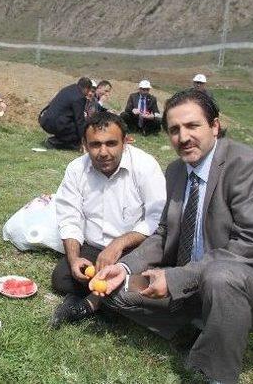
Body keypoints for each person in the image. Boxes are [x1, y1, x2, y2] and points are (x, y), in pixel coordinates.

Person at [91, 89, 253, 384]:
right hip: (192, 277)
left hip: (250, 281)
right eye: (174, 130)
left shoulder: (247, 166)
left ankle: (216, 374)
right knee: (114, 290)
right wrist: (127, 266)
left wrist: (177, 278)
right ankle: (200, 327)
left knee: (220, 277)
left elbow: (252, 246)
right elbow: (165, 233)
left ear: (215, 126)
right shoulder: (176, 171)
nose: (183, 137)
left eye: (193, 126)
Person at [50, 112, 166, 328]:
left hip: (134, 249)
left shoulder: (145, 166)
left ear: (125, 142)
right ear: (84, 144)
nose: (103, 152)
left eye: (111, 143)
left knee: (142, 278)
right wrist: (75, 259)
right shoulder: (77, 169)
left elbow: (157, 219)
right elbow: (69, 216)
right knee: (62, 276)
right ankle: (112, 301)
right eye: (95, 145)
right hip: (94, 249)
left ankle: (90, 303)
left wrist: (119, 243)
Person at [39, 77, 93, 150]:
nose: (88, 93)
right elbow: (79, 120)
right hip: (54, 123)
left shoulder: (69, 89)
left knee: (73, 128)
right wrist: (83, 139)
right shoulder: (79, 97)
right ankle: (53, 142)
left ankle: (72, 144)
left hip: (45, 119)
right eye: (89, 90)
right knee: (77, 131)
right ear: (86, 89)